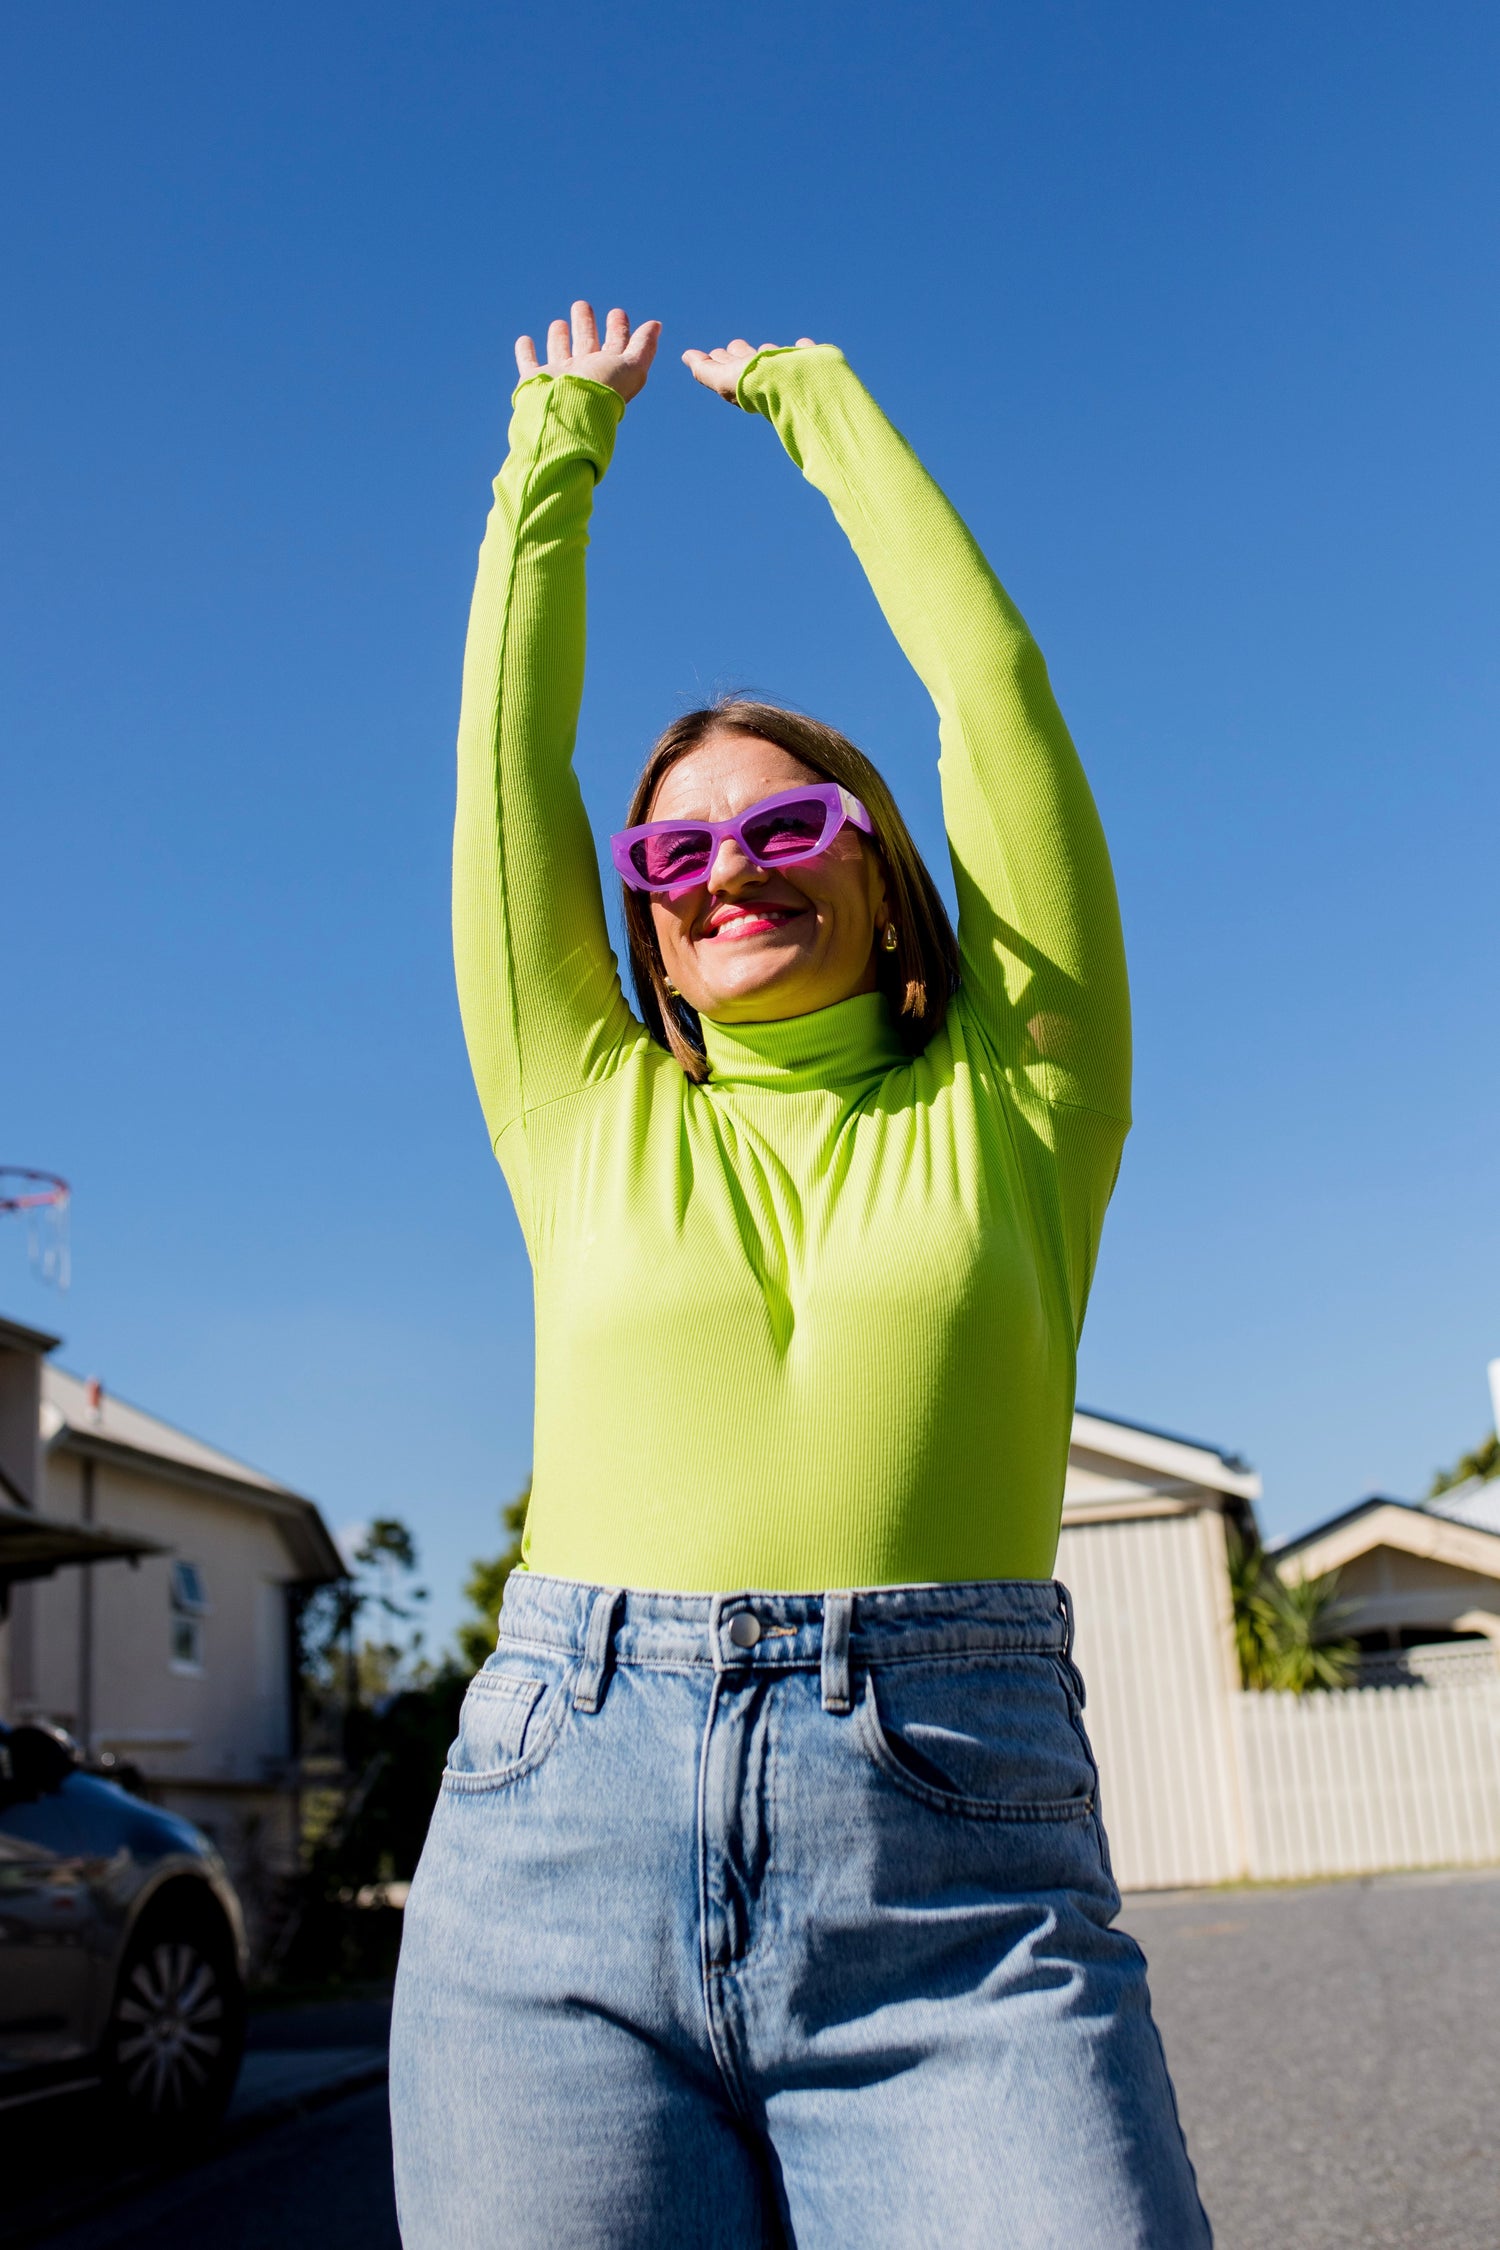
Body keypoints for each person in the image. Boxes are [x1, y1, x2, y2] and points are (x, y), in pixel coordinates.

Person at [389, 301, 1211, 2249]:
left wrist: (814, 409)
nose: (730, 872)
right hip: (550, 1858)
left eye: (783, 825)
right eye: (674, 866)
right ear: (645, 948)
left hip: (950, 1881)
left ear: (877, 864)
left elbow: (993, 691)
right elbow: (507, 749)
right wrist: (554, 448)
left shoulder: (1029, 1097)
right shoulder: (578, 1103)